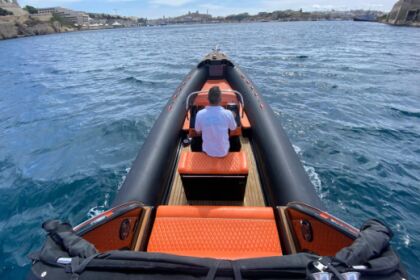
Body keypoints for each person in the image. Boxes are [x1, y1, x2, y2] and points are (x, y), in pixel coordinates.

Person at [194, 86, 240, 157]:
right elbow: (233, 129)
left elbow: (198, 132)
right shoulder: (228, 114)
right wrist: (231, 117)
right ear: (220, 99)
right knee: (236, 139)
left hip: (207, 151)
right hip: (223, 152)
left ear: (208, 99)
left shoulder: (200, 114)